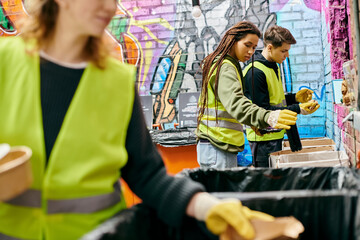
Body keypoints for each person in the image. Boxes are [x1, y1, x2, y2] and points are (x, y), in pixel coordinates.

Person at [0, 0, 275, 239]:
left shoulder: (117, 82)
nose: (110, 7)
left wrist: (206, 205)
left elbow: (147, 174)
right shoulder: (5, 63)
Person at [196, 21, 298, 169]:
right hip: (217, 146)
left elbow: (229, 103)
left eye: (254, 47)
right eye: (247, 45)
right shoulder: (225, 66)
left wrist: (252, 122)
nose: (251, 51)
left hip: (218, 145)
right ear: (233, 40)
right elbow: (236, 103)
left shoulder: (228, 64)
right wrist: (267, 117)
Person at [243, 25, 320, 167]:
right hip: (263, 140)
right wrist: (298, 108)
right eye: (284, 51)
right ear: (270, 48)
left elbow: (276, 100)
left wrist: (295, 98)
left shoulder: (272, 66)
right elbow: (262, 111)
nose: (287, 55)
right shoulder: (255, 72)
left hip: (274, 135)